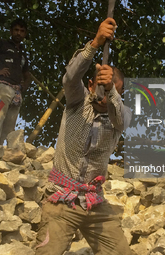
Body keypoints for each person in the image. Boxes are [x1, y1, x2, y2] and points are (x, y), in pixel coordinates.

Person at [35, 18, 132, 255]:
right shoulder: (77, 102)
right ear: (90, 84)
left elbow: (122, 118)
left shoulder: (119, 114)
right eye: (99, 89)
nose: (102, 98)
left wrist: (110, 90)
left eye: (110, 92)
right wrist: (96, 43)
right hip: (60, 199)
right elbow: (69, 77)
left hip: (94, 203)